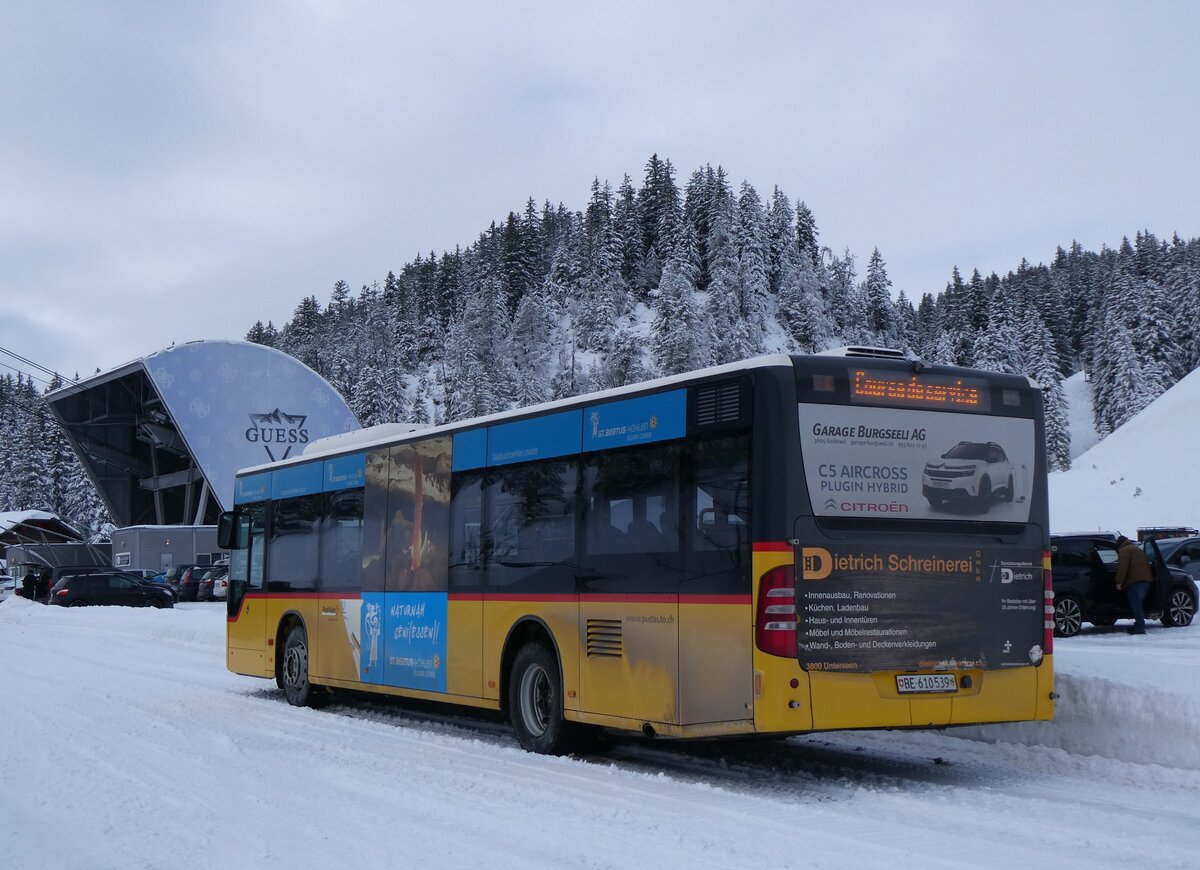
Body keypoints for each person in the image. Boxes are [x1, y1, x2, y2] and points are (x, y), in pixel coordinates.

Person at [1115, 534, 1152, 634]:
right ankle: (1139, 625)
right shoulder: (1135, 548)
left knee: (1136, 604)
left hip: (1136, 581)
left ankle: (1140, 627)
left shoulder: (1124, 550)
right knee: (1138, 603)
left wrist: (1119, 582)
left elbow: (1123, 567)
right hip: (1146, 579)